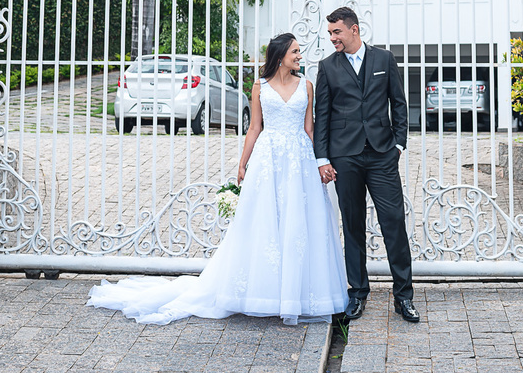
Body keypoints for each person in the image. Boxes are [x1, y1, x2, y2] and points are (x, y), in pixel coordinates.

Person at [87, 33, 348, 325]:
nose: (300, 56)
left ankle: (296, 294)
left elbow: (310, 130)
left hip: (299, 161)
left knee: (298, 224)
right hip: (268, 158)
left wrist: (318, 163)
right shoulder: (260, 87)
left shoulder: (307, 86)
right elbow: (255, 128)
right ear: (279, 56)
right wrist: (243, 162)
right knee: (266, 222)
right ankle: (265, 292)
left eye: (299, 52)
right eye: (295, 52)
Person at [314, 6, 420, 323]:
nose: (332, 37)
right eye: (330, 32)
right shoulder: (327, 67)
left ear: (354, 30)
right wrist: (323, 158)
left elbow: (398, 103)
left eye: (337, 32)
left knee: (394, 223)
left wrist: (398, 143)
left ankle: (404, 297)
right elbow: (323, 117)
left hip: (381, 154)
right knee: (353, 224)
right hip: (344, 156)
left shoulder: (383, 60)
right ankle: (358, 293)